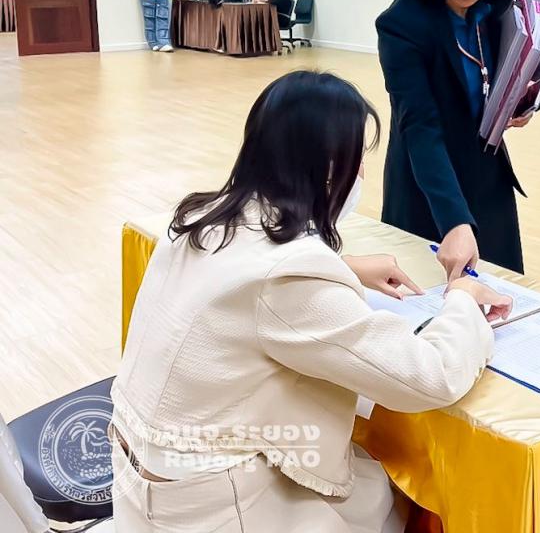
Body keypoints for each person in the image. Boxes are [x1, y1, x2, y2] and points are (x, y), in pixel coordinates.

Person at [110, 70, 512, 532]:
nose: (361, 174)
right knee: (404, 496)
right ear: (325, 167)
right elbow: (429, 376)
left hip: (146, 477)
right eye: (357, 159)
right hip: (212, 506)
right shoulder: (289, 278)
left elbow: (244, 280)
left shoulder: (200, 218)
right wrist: (461, 298)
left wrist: (346, 267)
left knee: (368, 480)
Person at [376, 0, 540, 278]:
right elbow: (419, 126)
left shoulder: (499, 6)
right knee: (430, 299)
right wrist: (453, 220)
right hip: (430, 189)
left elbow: (533, 61)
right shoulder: (402, 25)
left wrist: (531, 96)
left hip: (489, 183)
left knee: (500, 296)